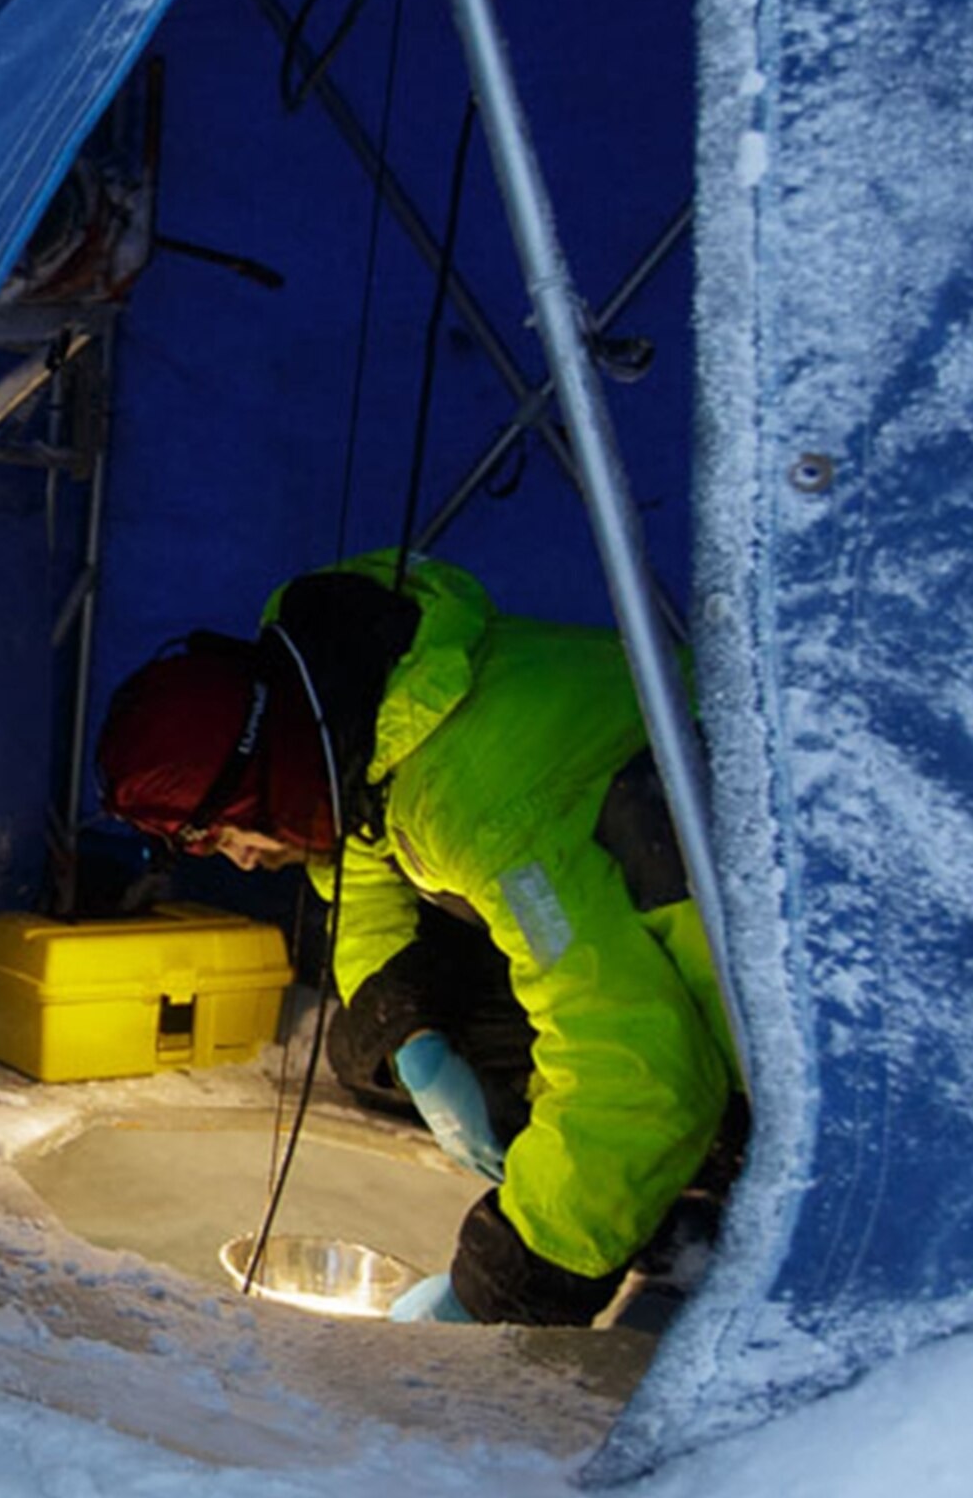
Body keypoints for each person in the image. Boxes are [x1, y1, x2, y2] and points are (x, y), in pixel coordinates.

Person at [95, 549, 738, 1328]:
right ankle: (610, 1171)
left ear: (274, 778)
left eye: (225, 832)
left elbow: (641, 1066)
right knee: (366, 1045)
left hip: (782, 1021)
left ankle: (681, 1180)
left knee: (632, 1107)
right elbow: (360, 873)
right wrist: (414, 1040)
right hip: (625, 930)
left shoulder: (473, 796)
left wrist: (498, 1283)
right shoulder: (370, 708)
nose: (239, 858)